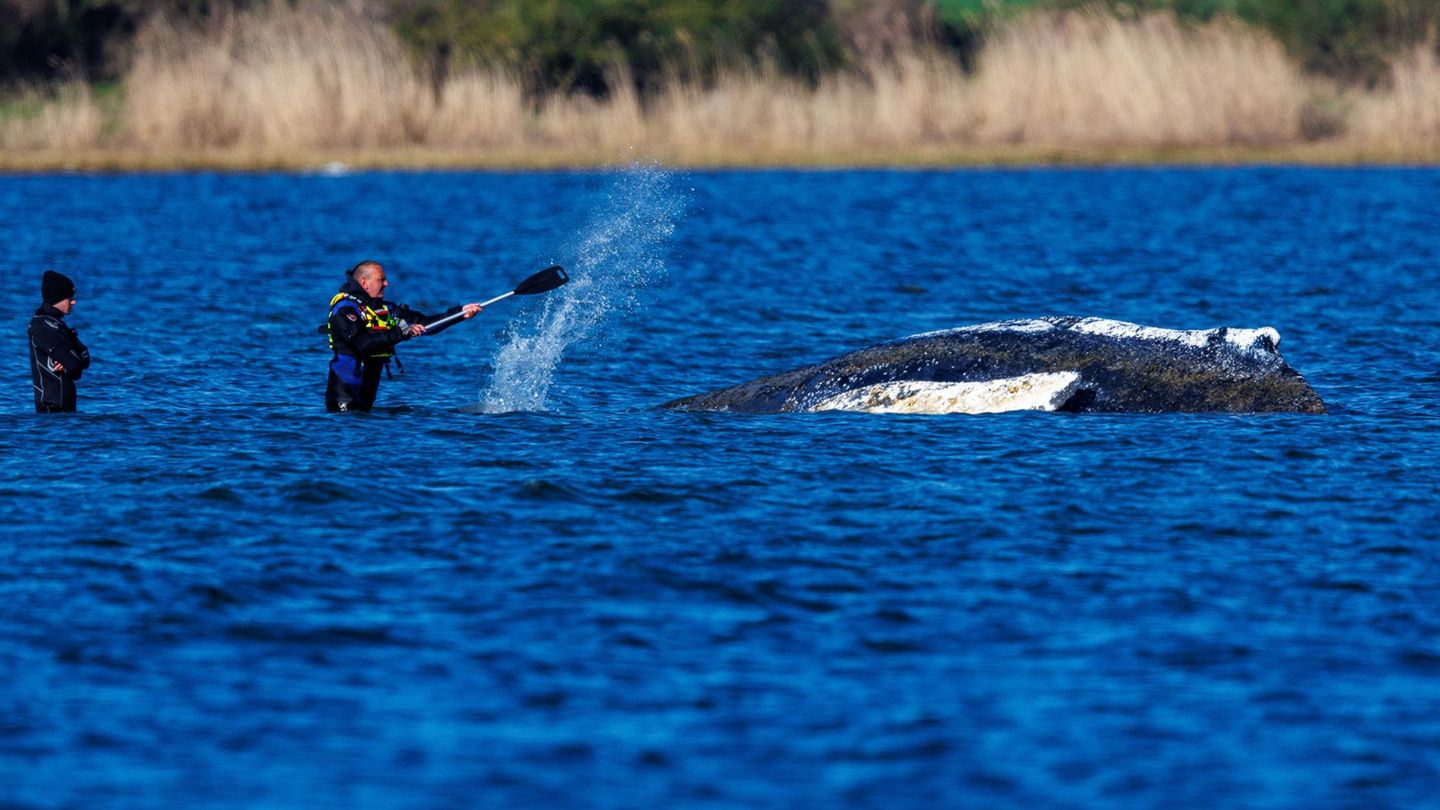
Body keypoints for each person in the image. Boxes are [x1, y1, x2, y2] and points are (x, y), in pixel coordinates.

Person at [325, 260, 482, 413]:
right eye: (382, 280)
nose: (387, 284)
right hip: (343, 400)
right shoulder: (345, 310)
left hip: (366, 401)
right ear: (364, 283)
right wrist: (401, 333)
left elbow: (426, 324)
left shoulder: (388, 310)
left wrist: (460, 313)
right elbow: (362, 344)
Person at [28, 270, 91, 413]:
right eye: (70, 297)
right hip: (51, 412)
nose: (74, 301)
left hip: (66, 414)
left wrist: (71, 366)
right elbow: (75, 365)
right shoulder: (42, 325)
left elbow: (85, 358)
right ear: (58, 299)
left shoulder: (58, 325)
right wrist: (72, 365)